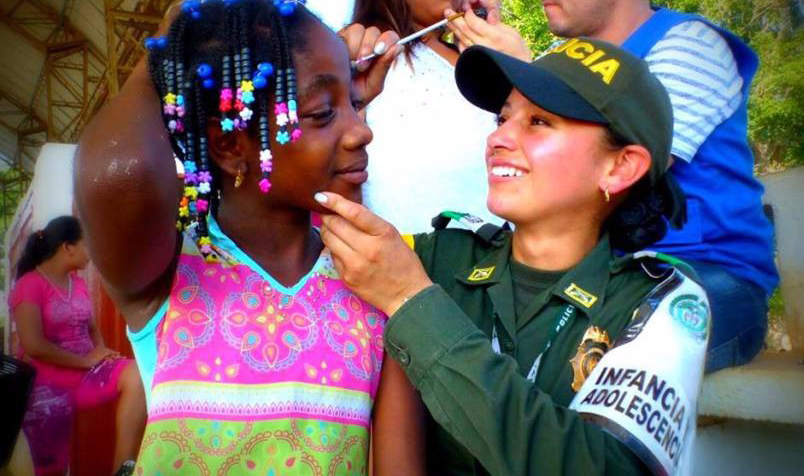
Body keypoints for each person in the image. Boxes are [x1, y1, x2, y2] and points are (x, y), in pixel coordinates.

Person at [316, 39, 710, 474]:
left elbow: (606, 468)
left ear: (620, 167)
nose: (498, 138)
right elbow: (322, 230)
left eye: (539, 121)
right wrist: (347, 108)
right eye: (503, 118)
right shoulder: (439, 256)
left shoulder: (660, 302)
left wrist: (412, 302)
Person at [74, 1, 424, 474]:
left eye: (356, 105)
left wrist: (334, 101)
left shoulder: (376, 280)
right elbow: (124, 172)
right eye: (323, 112)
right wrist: (169, 41)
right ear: (229, 145)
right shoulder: (168, 274)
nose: (362, 132)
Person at [449, 0, 778, 373]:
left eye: (539, 120)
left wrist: (528, 73)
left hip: (704, 274)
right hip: (594, 273)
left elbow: (601, 174)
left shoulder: (692, 44)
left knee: (584, 353)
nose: (501, 137)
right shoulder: (561, 54)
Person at [346, 0, 525, 232]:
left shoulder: (474, 59)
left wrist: (517, 70)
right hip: (403, 248)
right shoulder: (365, 57)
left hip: (501, 245)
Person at [8, 216, 145, 476]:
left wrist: (102, 354)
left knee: (136, 374)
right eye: (87, 244)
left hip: (86, 373)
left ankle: (123, 468)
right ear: (68, 247)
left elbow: (92, 329)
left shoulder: (78, 283)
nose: (92, 253)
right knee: (50, 468)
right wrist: (85, 361)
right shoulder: (29, 285)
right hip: (47, 383)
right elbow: (33, 345)